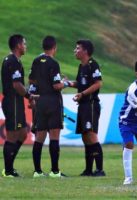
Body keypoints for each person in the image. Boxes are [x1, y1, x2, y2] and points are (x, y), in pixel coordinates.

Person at [29, 36, 67, 178]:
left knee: (39, 137)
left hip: (40, 102)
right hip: (52, 101)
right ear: (54, 47)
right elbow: (56, 86)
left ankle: (37, 171)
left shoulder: (36, 61)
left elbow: (31, 80)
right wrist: (65, 83)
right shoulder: (53, 63)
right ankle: (55, 171)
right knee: (54, 136)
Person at [68, 39, 105, 177]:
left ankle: (100, 169)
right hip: (83, 105)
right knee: (85, 136)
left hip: (90, 104)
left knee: (91, 135)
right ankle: (88, 170)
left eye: (77, 48)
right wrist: (68, 83)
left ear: (85, 51)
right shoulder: (81, 66)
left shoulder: (92, 65)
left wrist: (82, 93)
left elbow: (98, 83)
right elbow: (80, 83)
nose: (75, 51)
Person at [1, 34, 35, 177]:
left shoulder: (14, 60)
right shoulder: (13, 61)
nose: (25, 46)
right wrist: (29, 96)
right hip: (12, 102)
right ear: (18, 45)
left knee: (22, 133)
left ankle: (9, 167)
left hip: (16, 102)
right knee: (12, 135)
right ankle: (8, 171)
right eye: (24, 44)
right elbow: (17, 85)